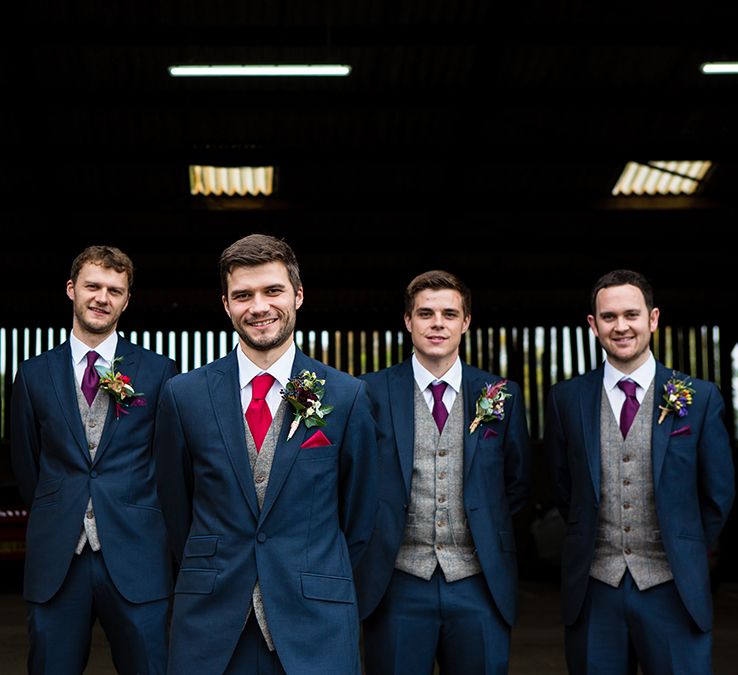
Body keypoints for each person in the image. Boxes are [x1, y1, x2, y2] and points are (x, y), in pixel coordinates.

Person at [153, 233, 378, 675]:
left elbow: (360, 516)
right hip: (211, 623)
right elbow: (174, 509)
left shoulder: (347, 396)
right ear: (225, 304)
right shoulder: (183, 396)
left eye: (272, 291)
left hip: (315, 622)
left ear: (297, 294)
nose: (258, 307)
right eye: (243, 295)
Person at [544, 269, 735, 674]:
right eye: (609, 317)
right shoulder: (567, 399)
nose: (621, 326)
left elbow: (718, 493)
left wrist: (684, 544)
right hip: (595, 591)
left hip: (674, 589)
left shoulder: (699, 398)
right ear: (593, 326)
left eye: (631, 314)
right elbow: (564, 488)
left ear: (653, 319)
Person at [10, 245, 177, 675]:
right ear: (72, 289)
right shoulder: (32, 374)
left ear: (126, 300)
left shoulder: (159, 372)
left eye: (114, 290)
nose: (102, 298)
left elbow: (171, 465)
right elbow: (28, 464)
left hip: (138, 558)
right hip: (57, 563)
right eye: (93, 286)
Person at [354, 269, 531, 675]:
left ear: (466, 322)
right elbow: (354, 480)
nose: (437, 323)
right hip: (396, 584)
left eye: (449, 314)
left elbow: (516, 484)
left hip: (478, 583)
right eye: (426, 313)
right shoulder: (370, 393)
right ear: (408, 321)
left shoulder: (500, 396)